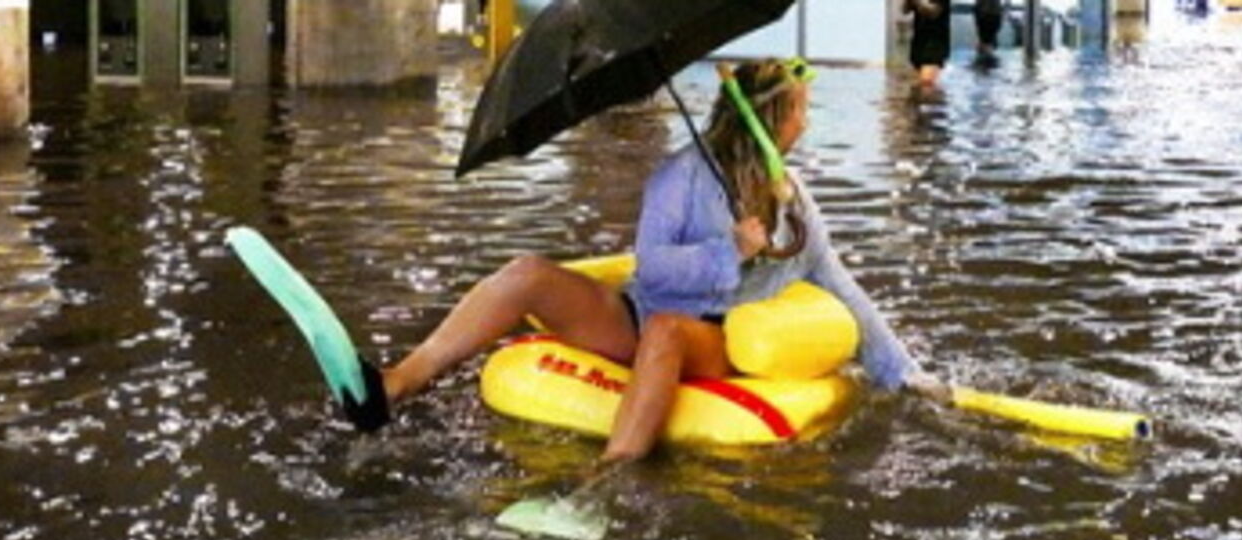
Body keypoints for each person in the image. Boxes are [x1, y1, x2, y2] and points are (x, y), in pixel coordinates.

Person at [372, 58, 938, 466]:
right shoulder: (679, 177)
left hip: (711, 339)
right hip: (642, 313)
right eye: (800, 112)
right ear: (772, 120)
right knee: (526, 274)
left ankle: (608, 479)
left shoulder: (794, 204)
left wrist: (904, 374)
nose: (806, 124)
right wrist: (730, 251)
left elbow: (839, 285)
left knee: (667, 330)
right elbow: (654, 268)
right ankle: (400, 381)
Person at [905, 0, 954, 86]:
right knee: (919, 86)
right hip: (918, 44)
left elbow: (934, 13)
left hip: (935, 45)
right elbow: (905, 10)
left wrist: (916, 1)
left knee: (926, 85)